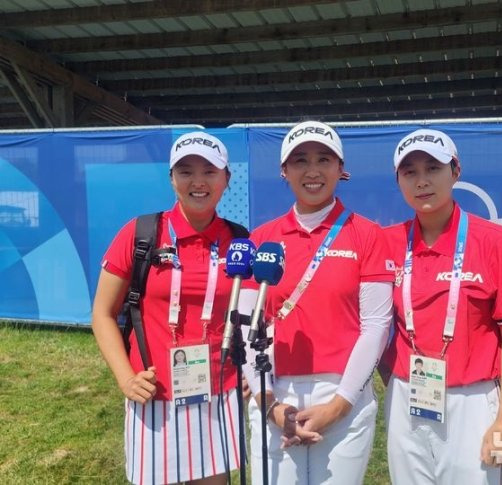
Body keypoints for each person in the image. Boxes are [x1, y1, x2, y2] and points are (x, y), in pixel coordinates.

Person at [380, 128, 502, 484]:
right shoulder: (388, 242)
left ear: (455, 171)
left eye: (433, 168)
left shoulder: (496, 241)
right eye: (410, 172)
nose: (422, 181)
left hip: (473, 399)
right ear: (399, 180)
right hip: (407, 394)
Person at [241, 120, 394, 484]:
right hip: (275, 390)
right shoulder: (262, 238)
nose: (313, 171)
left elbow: (376, 325)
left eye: (324, 160)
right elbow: (247, 324)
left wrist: (340, 405)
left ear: (341, 170)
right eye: (300, 161)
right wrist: (269, 404)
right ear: (284, 171)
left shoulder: (367, 234)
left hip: (344, 391)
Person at [92, 131, 243, 485]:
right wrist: (126, 379)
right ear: (171, 178)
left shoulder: (240, 241)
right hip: (153, 393)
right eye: (186, 171)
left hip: (217, 393)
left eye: (210, 171)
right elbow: (101, 314)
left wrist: (248, 373)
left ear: (227, 179)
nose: (198, 181)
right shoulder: (141, 232)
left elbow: (251, 317)